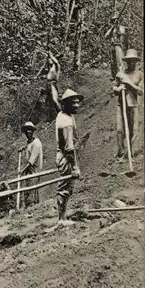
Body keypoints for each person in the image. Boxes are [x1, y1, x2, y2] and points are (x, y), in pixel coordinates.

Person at [55, 89, 83, 226]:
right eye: (74, 103)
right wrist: (75, 166)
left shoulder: (64, 114)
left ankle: (63, 216)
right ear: (66, 104)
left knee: (66, 188)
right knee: (65, 188)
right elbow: (69, 149)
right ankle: (61, 219)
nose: (77, 106)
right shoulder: (66, 122)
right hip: (66, 158)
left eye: (78, 103)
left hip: (64, 155)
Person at [113, 49, 144, 159]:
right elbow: (114, 88)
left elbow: (140, 91)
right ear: (126, 61)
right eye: (129, 61)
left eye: (133, 61)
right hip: (121, 105)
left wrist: (129, 83)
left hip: (133, 105)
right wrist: (119, 88)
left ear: (136, 62)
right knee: (119, 130)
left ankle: (131, 152)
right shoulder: (121, 74)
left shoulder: (140, 75)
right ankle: (121, 152)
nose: (131, 63)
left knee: (134, 130)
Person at [18, 121, 43, 208]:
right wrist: (23, 148)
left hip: (34, 170)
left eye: (30, 130)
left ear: (33, 131)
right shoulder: (29, 141)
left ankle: (32, 207)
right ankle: (31, 206)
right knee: (28, 188)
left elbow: (31, 161)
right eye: (26, 130)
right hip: (29, 170)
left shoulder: (37, 143)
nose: (28, 131)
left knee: (32, 188)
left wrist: (22, 170)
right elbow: (28, 146)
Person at [46, 52, 61, 122]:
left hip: (53, 84)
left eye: (50, 59)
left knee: (55, 100)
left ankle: (61, 113)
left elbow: (56, 62)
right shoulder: (50, 69)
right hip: (48, 85)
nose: (49, 60)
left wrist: (51, 55)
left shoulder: (56, 67)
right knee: (49, 102)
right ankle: (51, 118)